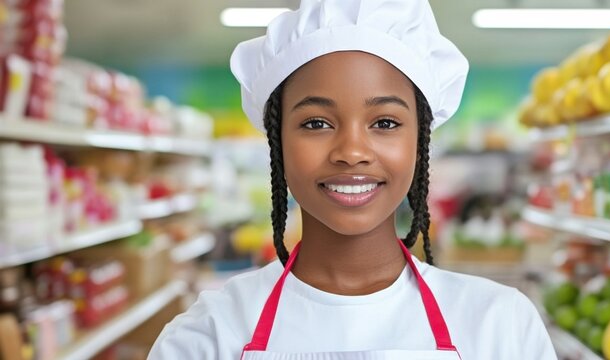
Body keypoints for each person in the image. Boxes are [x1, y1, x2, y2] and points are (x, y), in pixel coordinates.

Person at [149, 0, 556, 359]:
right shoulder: (207, 337)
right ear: (278, 142)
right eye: (316, 122)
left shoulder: (501, 326)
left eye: (384, 122)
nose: (352, 150)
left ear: (419, 141)